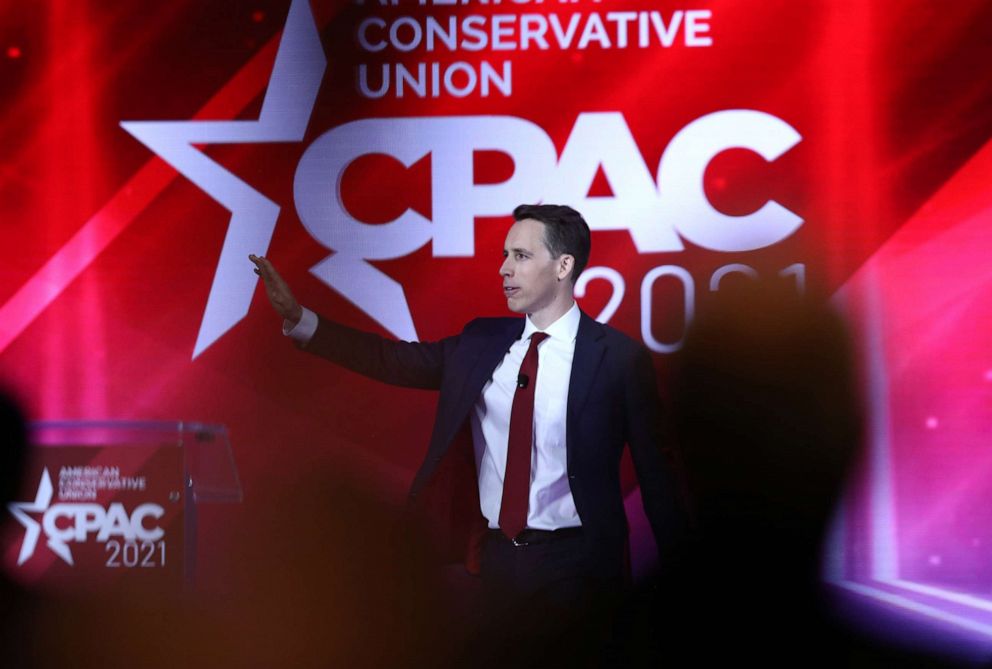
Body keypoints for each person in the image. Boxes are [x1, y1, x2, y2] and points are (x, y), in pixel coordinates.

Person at [250, 204, 685, 664]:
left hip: (580, 566)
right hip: (497, 564)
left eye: (520, 255)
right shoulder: (481, 342)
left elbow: (658, 480)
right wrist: (302, 320)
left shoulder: (617, 358)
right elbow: (391, 360)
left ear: (563, 266)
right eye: (504, 254)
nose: (504, 268)